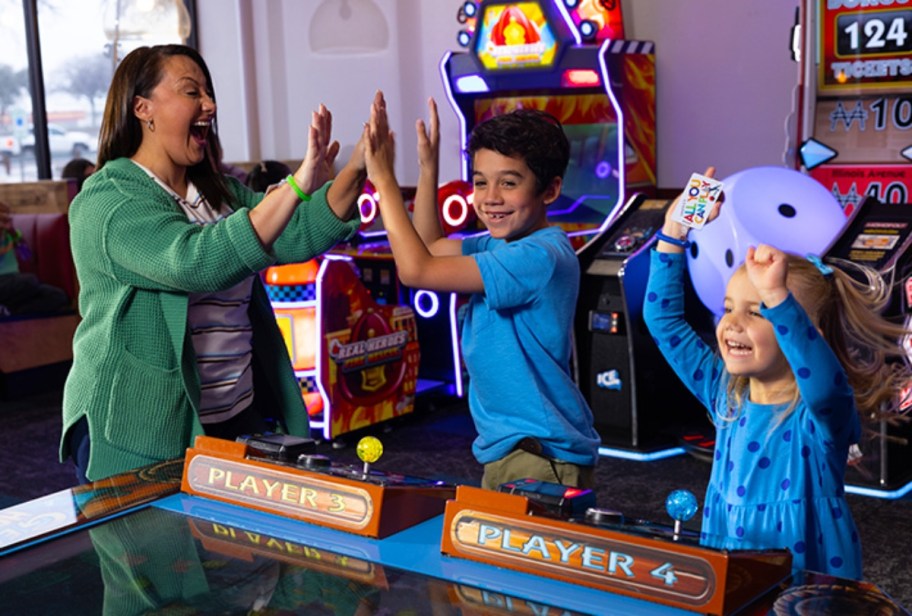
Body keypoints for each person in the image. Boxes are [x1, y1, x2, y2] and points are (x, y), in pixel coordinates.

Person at [59, 44, 366, 483]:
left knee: (236, 547)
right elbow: (194, 260)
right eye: (192, 92)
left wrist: (357, 168)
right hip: (139, 423)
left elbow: (293, 232)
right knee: (160, 549)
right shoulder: (109, 201)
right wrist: (297, 185)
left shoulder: (216, 191)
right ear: (142, 108)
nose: (211, 104)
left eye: (209, 91)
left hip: (232, 411)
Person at [643, 168, 912, 579]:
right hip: (729, 560)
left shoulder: (820, 415)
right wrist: (674, 229)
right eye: (728, 306)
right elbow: (663, 321)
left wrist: (779, 298)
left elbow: (823, 387)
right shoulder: (725, 395)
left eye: (757, 312)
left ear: (805, 333)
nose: (732, 323)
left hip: (805, 573)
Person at [362, 92, 600, 491]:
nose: (490, 198)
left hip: (541, 455)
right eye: (480, 182)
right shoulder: (502, 245)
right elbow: (431, 248)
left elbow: (416, 269)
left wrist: (384, 180)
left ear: (550, 190)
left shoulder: (540, 256)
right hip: (511, 449)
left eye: (509, 183)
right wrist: (426, 169)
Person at [0, 200, 71, 316]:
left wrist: (12, 232)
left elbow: (26, 256)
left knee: (57, 295)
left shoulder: (12, 235)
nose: (4, 221)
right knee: (30, 281)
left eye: (6, 217)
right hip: (4, 282)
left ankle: (9, 311)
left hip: (16, 284)